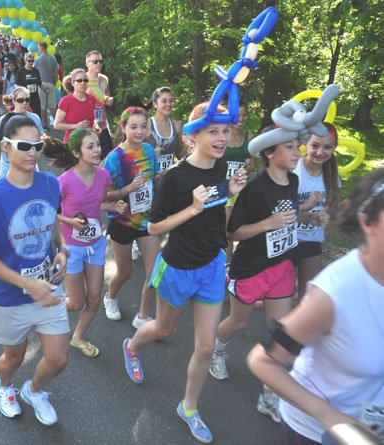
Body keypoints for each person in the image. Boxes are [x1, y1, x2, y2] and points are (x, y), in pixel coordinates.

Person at [122, 102, 248, 444]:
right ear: (192, 136)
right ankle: (131, 346)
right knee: (163, 328)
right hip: (177, 266)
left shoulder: (220, 166)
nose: (222, 138)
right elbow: (152, 227)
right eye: (214, 132)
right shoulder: (175, 177)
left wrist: (230, 191)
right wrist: (191, 209)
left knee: (205, 348)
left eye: (225, 131)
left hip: (210, 265)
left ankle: (188, 407)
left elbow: (214, 202)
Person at [247, 168, 384, 445]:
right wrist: (332, 417)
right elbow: (262, 361)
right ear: (367, 223)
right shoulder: (334, 293)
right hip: (316, 433)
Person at [0, 115, 69, 426]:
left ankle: (34, 390)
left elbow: (53, 223)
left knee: (58, 359)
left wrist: (63, 250)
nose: (33, 152)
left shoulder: (50, 183)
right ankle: (5, 387)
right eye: (25, 146)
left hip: (48, 287)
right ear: (6, 148)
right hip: (8, 296)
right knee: (14, 356)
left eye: (37, 145)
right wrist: (27, 283)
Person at [209, 125, 302, 423]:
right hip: (250, 267)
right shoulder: (254, 188)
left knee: (279, 331)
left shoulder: (295, 180)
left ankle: (269, 396)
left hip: (283, 265)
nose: (297, 152)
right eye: (290, 147)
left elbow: (287, 216)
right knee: (239, 321)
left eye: (297, 145)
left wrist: (306, 214)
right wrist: (268, 223)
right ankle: (216, 350)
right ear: (270, 153)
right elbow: (232, 232)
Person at [43, 128, 126, 358]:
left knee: (95, 297)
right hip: (72, 248)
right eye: (90, 146)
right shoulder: (65, 181)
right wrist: (69, 220)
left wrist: (114, 207)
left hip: (96, 244)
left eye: (98, 144)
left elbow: (99, 204)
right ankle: (47, 308)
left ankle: (78, 337)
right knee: (77, 302)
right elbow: (47, 210)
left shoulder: (103, 176)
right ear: (77, 152)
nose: (97, 149)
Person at [102, 107, 160, 327]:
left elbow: (154, 178)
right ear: (123, 127)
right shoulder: (114, 158)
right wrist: (127, 189)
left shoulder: (148, 150)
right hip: (122, 221)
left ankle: (143, 316)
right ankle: (110, 297)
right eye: (134, 126)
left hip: (146, 220)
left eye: (143, 126)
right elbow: (105, 195)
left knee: (154, 272)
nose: (139, 131)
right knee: (125, 272)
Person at [293, 123, 339, 301]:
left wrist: (325, 213)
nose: (320, 152)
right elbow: (276, 208)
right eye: (315, 146)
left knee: (306, 298)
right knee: (280, 296)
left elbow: (331, 198)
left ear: (334, 147)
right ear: (305, 143)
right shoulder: (293, 169)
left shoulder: (331, 172)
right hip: (287, 241)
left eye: (327, 147)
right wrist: (307, 208)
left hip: (312, 242)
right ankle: (245, 303)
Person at [223, 102, 255, 263]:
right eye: (238, 115)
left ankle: (236, 260)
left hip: (241, 187)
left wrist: (245, 169)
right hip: (224, 188)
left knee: (240, 225)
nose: (241, 119)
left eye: (244, 115)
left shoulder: (249, 137)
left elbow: (251, 164)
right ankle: (228, 262)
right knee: (227, 225)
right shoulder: (223, 134)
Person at [0, 87, 44, 177]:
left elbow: (41, 135)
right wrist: (8, 146)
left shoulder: (34, 117)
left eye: (27, 100)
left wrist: (42, 140)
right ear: (14, 101)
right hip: (9, 168)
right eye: (20, 100)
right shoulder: (4, 119)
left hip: (30, 166)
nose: (24, 103)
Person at [144, 87, 187, 174]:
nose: (168, 104)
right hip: (149, 179)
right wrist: (151, 155)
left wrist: (187, 144)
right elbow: (133, 153)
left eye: (171, 101)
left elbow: (181, 155)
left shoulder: (177, 126)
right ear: (155, 104)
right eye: (164, 101)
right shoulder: (147, 124)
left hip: (169, 179)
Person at [53, 69, 98, 143]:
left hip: (89, 142)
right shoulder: (66, 101)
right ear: (73, 82)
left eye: (85, 80)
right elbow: (57, 125)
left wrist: (96, 126)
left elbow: (92, 118)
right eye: (79, 80)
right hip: (72, 143)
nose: (83, 83)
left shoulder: (92, 99)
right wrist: (76, 126)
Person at [85, 50, 114, 159]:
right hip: (87, 125)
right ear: (87, 63)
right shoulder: (82, 80)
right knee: (90, 158)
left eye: (100, 61)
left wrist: (108, 101)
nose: (99, 64)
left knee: (108, 156)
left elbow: (104, 98)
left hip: (102, 124)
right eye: (95, 61)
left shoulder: (104, 79)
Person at [33, 42, 59, 128]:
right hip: (50, 82)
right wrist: (54, 82)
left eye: (38, 47)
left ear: (41, 48)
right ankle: (57, 122)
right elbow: (55, 72)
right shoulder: (53, 58)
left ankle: (45, 124)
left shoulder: (37, 60)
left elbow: (34, 72)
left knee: (42, 105)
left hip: (41, 84)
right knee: (52, 104)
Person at [16, 53, 42, 119]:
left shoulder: (36, 71)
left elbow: (39, 83)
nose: (31, 63)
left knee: (37, 115)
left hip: (35, 97)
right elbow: (17, 85)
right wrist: (23, 91)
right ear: (25, 60)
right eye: (29, 61)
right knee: (25, 116)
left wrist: (45, 90)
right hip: (25, 98)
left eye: (32, 61)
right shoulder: (20, 72)